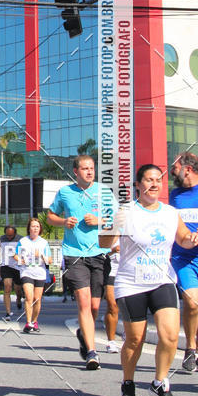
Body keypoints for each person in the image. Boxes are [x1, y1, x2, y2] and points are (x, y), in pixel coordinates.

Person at [100, 164, 198, 396]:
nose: (154, 184)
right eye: (148, 180)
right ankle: (128, 382)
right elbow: (105, 242)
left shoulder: (169, 212)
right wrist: (111, 225)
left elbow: (183, 240)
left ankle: (160, 381)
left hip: (162, 280)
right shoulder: (126, 212)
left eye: (158, 180)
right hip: (131, 282)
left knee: (168, 336)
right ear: (138, 185)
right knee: (135, 339)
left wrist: (193, 238)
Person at [47, 155, 115, 369]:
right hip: (74, 253)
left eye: (92, 168)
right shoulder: (65, 192)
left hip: (99, 253)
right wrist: (63, 221)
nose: (89, 172)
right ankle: (92, 353)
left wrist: (100, 221)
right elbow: (50, 216)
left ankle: (83, 333)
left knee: (95, 306)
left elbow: (119, 218)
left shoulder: (104, 192)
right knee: (84, 303)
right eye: (85, 168)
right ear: (75, 171)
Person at [169, 152, 198, 373]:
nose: (172, 171)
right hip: (183, 258)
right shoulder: (175, 196)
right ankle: (190, 348)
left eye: (175, 167)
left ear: (187, 169)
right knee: (191, 302)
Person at [16, 217, 52, 333]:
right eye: (33, 226)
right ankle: (28, 323)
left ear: (40, 229)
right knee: (28, 297)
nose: (35, 228)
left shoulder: (44, 243)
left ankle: (34, 321)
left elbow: (49, 260)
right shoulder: (23, 241)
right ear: (29, 228)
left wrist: (41, 256)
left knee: (37, 299)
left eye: (37, 226)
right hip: (26, 271)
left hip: (40, 273)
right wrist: (20, 260)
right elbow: (16, 255)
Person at [0, 224, 22, 318]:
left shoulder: (21, 239)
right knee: (7, 287)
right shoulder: (2, 239)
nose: (9, 237)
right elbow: (1, 251)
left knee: (18, 288)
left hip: (17, 266)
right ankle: (8, 312)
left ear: (15, 234)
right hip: (6, 265)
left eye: (11, 235)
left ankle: (19, 299)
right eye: (7, 235)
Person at [103, 244, 120, 353]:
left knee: (128, 306)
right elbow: (98, 252)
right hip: (111, 270)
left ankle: (128, 332)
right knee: (112, 305)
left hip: (131, 271)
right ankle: (111, 341)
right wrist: (112, 250)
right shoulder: (108, 228)